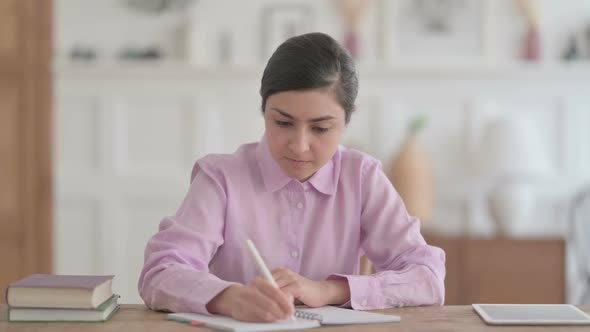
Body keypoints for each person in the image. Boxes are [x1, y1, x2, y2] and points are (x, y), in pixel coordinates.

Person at [138, 32, 445, 322]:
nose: (299, 146)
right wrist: (228, 298)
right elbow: (160, 272)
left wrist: (327, 290)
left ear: (347, 118)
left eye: (321, 128)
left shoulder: (362, 177)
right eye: (283, 123)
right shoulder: (220, 178)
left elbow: (427, 277)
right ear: (264, 110)